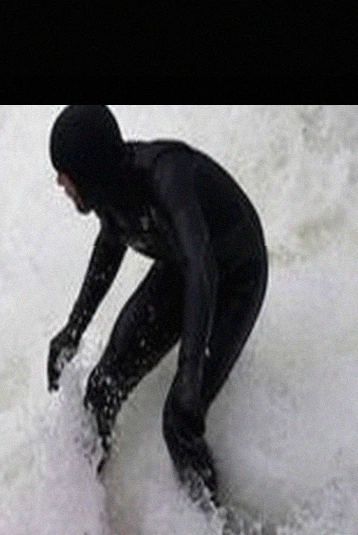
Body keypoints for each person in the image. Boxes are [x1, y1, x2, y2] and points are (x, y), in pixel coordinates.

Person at [46, 105, 267, 503]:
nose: (60, 182)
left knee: (179, 420)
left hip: (235, 277)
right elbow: (109, 247)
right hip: (183, 269)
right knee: (103, 388)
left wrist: (190, 368)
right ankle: (75, 518)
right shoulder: (107, 191)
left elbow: (202, 264)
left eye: (65, 173)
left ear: (89, 170)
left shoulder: (167, 175)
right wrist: (72, 330)